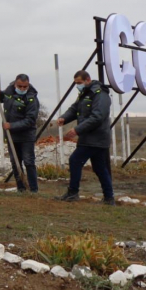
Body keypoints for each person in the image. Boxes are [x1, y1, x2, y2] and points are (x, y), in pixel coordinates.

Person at [56, 70, 114, 205]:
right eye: (76, 83)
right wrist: (64, 117)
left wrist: (77, 130)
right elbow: (74, 109)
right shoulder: (84, 94)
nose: (78, 85)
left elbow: (97, 117)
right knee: (99, 168)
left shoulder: (100, 95)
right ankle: (109, 198)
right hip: (89, 137)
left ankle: (73, 193)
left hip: (96, 137)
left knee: (75, 160)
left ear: (88, 80)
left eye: (80, 83)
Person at [0, 74, 39, 193]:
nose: (22, 89)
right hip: (12, 136)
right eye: (20, 86)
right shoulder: (9, 92)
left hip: (26, 135)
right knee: (15, 162)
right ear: (15, 84)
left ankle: (33, 189)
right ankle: (21, 188)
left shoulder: (31, 98)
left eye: (25, 86)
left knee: (28, 161)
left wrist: (12, 125)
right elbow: (1, 97)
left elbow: (30, 120)